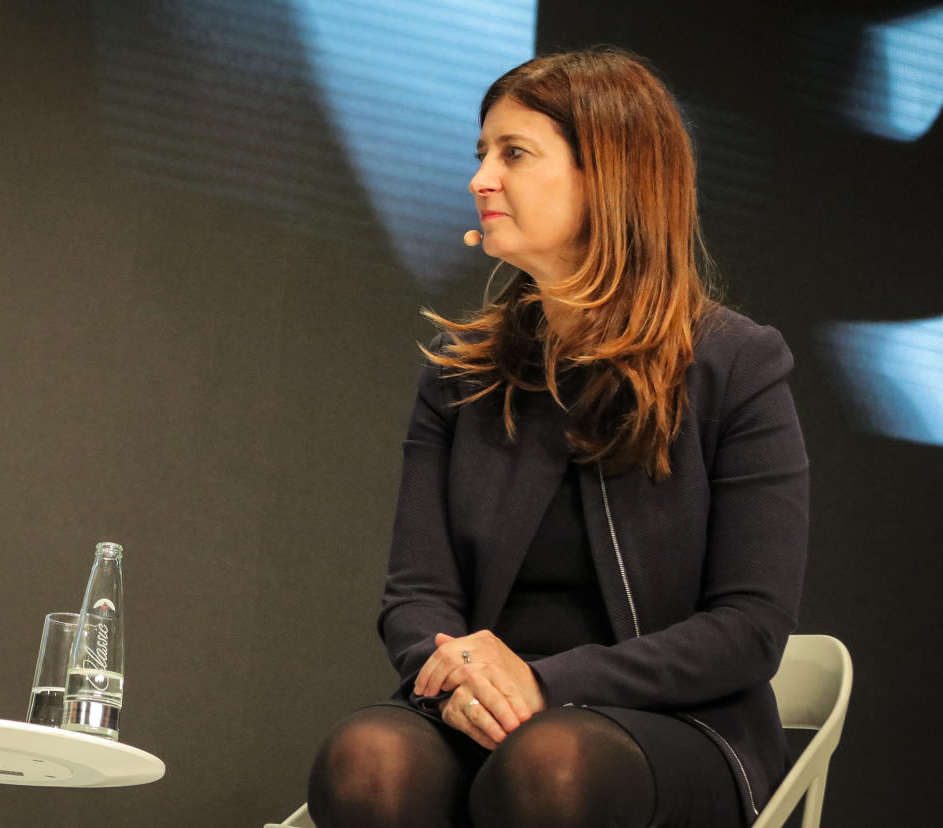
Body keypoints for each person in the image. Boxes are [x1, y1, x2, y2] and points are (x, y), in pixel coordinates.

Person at [307, 47, 809, 828]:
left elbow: (746, 632)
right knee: (369, 757)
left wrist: (545, 682)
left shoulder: (735, 364)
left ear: (608, 177)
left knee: (552, 764)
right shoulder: (458, 374)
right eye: (481, 155)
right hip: (488, 715)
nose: (480, 180)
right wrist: (463, 678)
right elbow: (416, 598)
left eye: (514, 153)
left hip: (673, 728)